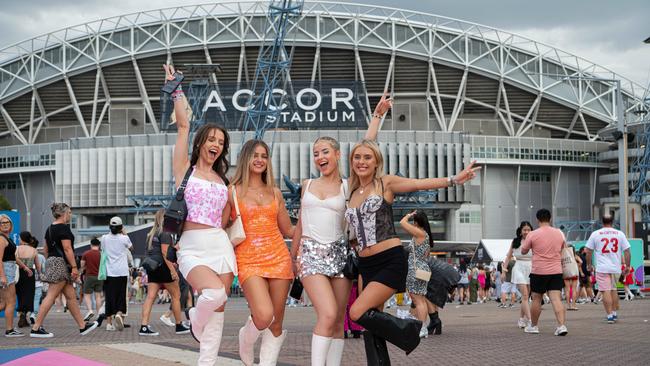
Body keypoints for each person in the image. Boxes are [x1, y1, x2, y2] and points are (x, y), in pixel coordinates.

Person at [345, 138, 479, 364]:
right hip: (365, 265)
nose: (362, 161)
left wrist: (453, 180)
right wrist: (376, 117)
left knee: (357, 312)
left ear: (377, 161)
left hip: (389, 260)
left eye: (368, 157)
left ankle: (409, 331)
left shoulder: (385, 183)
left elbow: (418, 183)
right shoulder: (353, 189)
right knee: (371, 324)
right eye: (357, 157)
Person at [288, 94, 391, 366]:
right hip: (310, 254)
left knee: (337, 321)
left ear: (336, 155)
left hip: (340, 256)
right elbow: (300, 223)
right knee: (328, 313)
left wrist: (377, 118)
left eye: (324, 152)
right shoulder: (307, 185)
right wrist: (292, 256)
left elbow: (366, 149)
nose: (320, 157)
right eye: (315, 153)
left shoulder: (348, 187)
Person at [166, 63, 237, 365]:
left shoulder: (224, 180)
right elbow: (183, 125)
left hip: (219, 243)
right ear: (201, 143)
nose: (216, 146)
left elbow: (226, 218)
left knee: (218, 315)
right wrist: (176, 91)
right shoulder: (185, 170)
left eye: (221, 143)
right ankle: (194, 316)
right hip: (192, 245)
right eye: (211, 140)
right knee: (214, 295)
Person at [230, 139, 295, 366]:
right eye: (255, 155)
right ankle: (245, 340)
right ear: (246, 159)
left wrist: (314, 219)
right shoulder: (233, 191)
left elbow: (288, 229)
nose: (259, 160)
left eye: (264, 156)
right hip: (248, 259)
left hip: (279, 259)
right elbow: (220, 227)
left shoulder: (275, 193)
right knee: (264, 315)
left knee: (275, 324)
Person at [30, 203, 98, 338]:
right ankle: (36, 327)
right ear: (64, 213)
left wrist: (51, 261)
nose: (70, 215)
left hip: (53, 261)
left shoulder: (50, 228)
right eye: (70, 212)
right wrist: (74, 267)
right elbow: (67, 249)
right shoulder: (64, 229)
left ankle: (82, 326)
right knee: (51, 295)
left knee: (71, 297)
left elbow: (46, 249)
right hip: (62, 264)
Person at [139, 209, 190, 336]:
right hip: (164, 268)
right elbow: (164, 253)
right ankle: (179, 325)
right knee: (176, 296)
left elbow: (154, 251)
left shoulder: (151, 234)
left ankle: (144, 326)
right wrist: (173, 271)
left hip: (153, 268)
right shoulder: (165, 233)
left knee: (150, 297)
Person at [520, 209, 567, 336]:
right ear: (550, 219)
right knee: (556, 299)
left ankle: (534, 326)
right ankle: (561, 326)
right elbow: (564, 248)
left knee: (536, 299)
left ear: (537, 220)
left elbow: (523, 251)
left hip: (539, 271)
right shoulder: (559, 233)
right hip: (556, 270)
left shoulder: (533, 234)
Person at [584, 215, 631, 323]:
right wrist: (627, 266)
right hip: (616, 267)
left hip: (602, 267)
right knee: (614, 290)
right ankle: (614, 313)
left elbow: (588, 251)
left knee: (605, 291)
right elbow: (627, 251)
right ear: (612, 221)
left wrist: (589, 264)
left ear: (601, 222)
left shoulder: (595, 234)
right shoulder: (620, 234)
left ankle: (609, 315)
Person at [399, 210, 433, 338]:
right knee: (421, 300)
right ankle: (423, 327)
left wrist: (408, 215)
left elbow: (402, 222)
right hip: (423, 269)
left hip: (415, 269)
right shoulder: (426, 235)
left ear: (417, 221)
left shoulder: (419, 233)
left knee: (417, 301)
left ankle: (422, 328)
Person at [101, 216, 133, 331]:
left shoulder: (104, 238)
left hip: (109, 272)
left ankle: (109, 324)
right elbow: (132, 248)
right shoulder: (124, 238)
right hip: (122, 271)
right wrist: (124, 233)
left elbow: (103, 250)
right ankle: (119, 313)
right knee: (121, 296)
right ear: (121, 227)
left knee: (109, 297)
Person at [503, 222, 533, 328]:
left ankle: (521, 319)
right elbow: (508, 257)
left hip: (531, 268)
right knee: (525, 296)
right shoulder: (515, 241)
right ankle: (530, 321)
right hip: (519, 267)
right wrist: (504, 271)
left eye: (529, 229)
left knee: (527, 296)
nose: (526, 232)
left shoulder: (534, 241)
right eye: (524, 229)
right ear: (520, 231)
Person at [0, 214, 26, 337]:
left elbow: (13, 257)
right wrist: (3, 276)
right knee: (11, 301)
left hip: (9, 269)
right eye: (2, 223)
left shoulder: (7, 238)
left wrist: (24, 266)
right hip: (5, 270)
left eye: (7, 222)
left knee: (3, 304)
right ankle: (9, 330)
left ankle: (10, 329)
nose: (5, 224)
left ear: (11, 224)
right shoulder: (1, 239)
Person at [15, 231, 40, 328]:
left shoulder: (17, 249)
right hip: (30, 273)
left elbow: (14, 260)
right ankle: (24, 315)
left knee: (20, 294)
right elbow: (38, 265)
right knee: (28, 295)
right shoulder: (33, 250)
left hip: (19, 273)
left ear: (21, 238)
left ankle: (21, 315)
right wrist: (40, 274)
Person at [80, 238, 103, 322]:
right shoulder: (102, 254)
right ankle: (99, 313)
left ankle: (90, 310)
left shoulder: (86, 253)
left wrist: (83, 269)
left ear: (91, 244)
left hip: (89, 276)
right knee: (98, 296)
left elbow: (82, 265)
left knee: (87, 295)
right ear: (99, 245)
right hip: (100, 277)